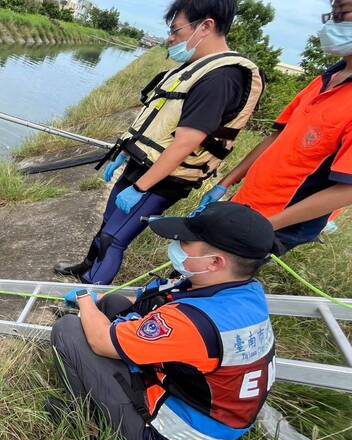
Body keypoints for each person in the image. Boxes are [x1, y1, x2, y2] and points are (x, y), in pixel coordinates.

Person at [55, 0, 264, 284]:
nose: (171, 38)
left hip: (165, 178)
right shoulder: (195, 67)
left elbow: (186, 142)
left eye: (176, 30)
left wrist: (141, 187)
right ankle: (86, 268)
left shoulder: (222, 78)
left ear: (206, 26)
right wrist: (123, 156)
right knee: (107, 223)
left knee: (114, 237)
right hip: (142, 164)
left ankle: (87, 299)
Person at [50, 202, 276, 440]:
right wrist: (101, 299)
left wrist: (84, 298)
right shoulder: (244, 290)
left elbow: (100, 341)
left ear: (215, 262)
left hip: (169, 431)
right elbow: (158, 296)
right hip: (205, 406)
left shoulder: (191, 322)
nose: (176, 246)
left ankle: (87, 417)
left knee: (69, 330)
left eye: (185, 242)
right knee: (115, 303)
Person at [198, 0, 352, 252]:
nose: (334, 22)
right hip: (247, 202)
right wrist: (226, 183)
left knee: (207, 274)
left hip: (278, 223)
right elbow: (276, 138)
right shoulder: (325, 79)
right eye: (332, 14)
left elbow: (347, 191)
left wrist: (266, 226)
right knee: (190, 266)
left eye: (342, 13)